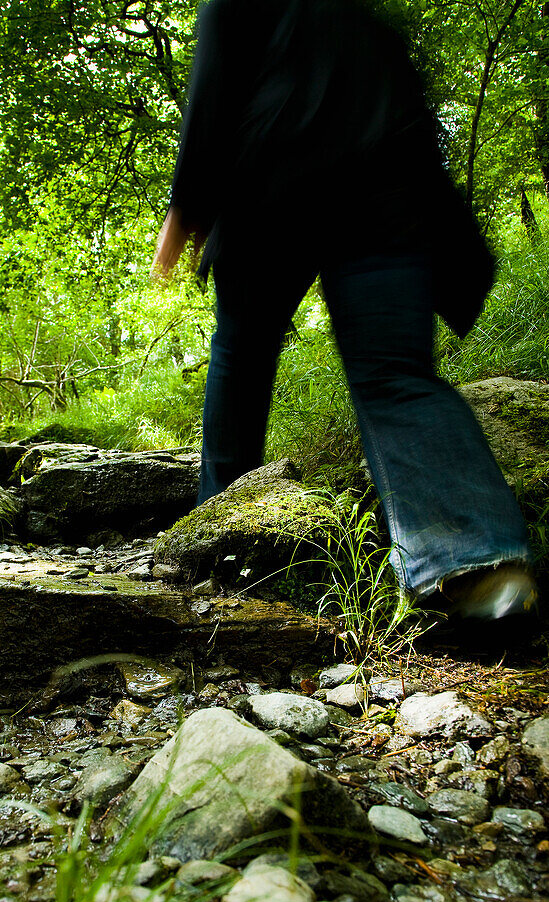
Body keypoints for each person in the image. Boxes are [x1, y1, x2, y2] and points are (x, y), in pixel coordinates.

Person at [151, 0, 537, 622]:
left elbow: (215, 78)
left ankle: (215, 549)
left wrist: (187, 200)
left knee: (243, 361)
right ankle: (478, 563)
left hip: (271, 191)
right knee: (394, 376)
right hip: (385, 193)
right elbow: (412, 111)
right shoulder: (366, 18)